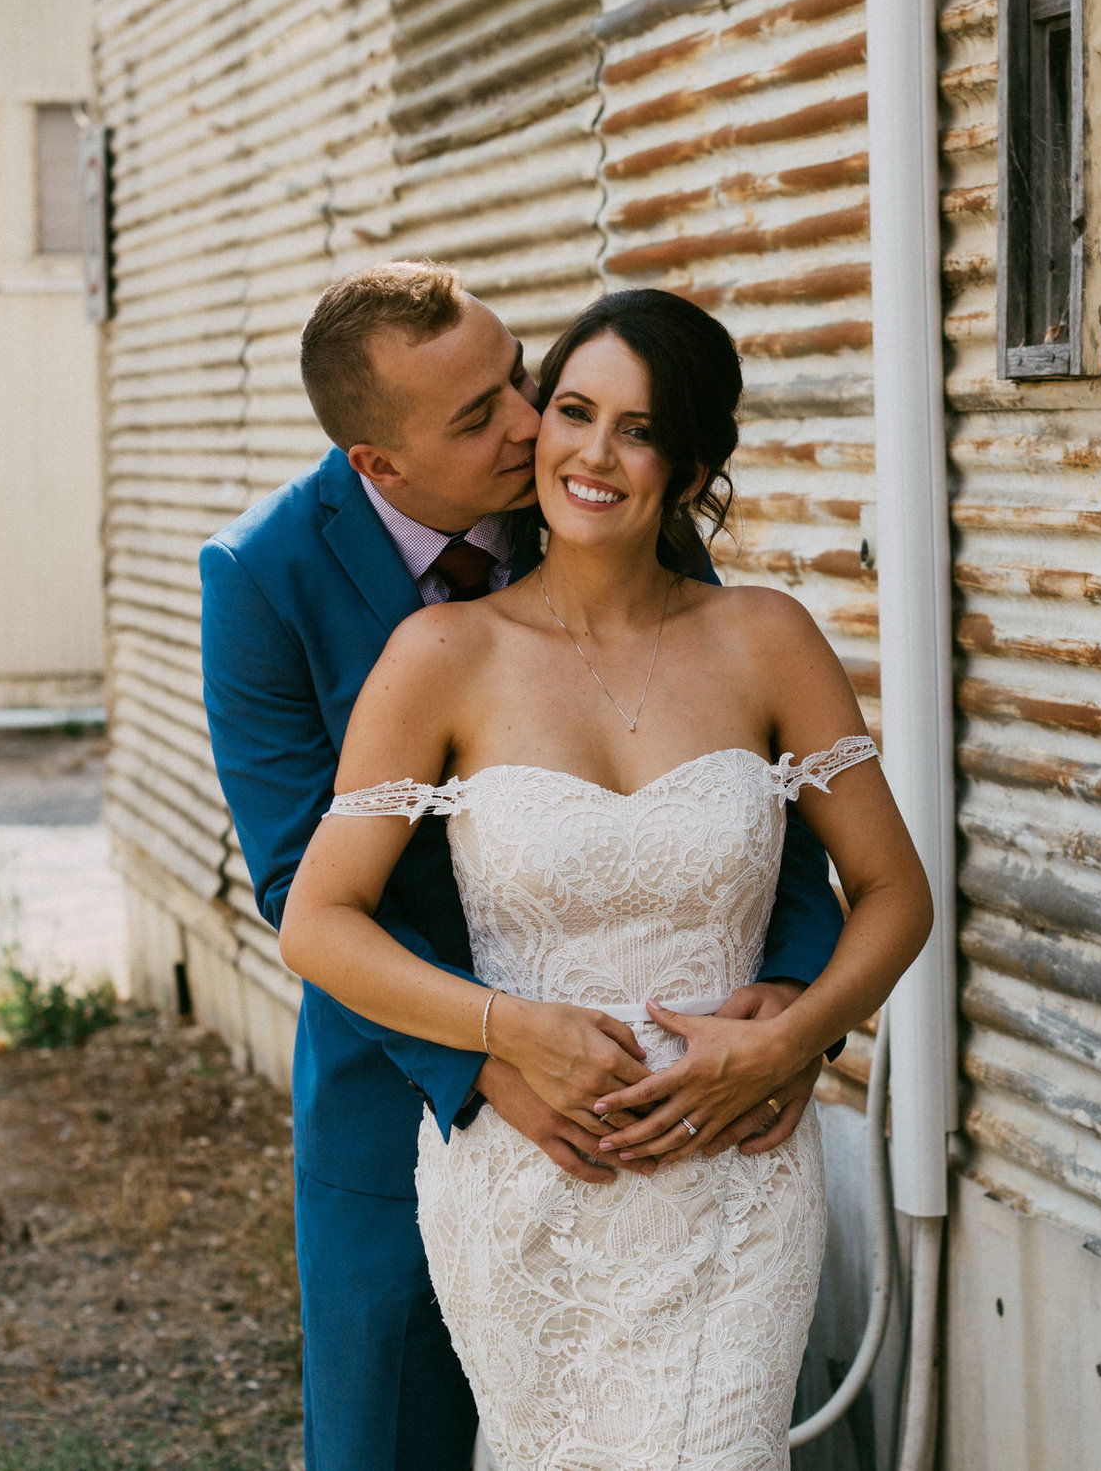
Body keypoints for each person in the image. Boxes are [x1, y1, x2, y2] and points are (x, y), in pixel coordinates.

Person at [198, 264, 853, 1471]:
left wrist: (793, 1013)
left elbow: (748, 803)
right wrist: (494, 1052)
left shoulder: (607, 493)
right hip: (414, 1094)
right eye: (476, 415)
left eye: (518, 376)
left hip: (681, 1124)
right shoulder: (262, 581)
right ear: (377, 464)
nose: (527, 420)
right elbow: (306, 891)